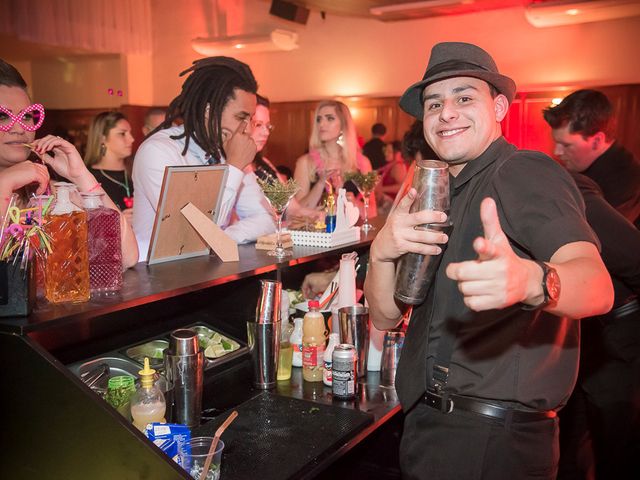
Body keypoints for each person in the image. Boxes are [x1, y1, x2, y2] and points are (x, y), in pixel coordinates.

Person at [363, 42, 613, 480]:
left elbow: (597, 285)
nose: (447, 112)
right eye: (434, 103)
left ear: (498, 107)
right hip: (434, 429)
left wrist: (531, 281)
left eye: (464, 97)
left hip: (491, 442)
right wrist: (382, 252)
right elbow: (384, 317)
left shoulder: (523, 172)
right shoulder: (435, 191)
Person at [132, 56, 275, 261]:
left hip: (208, 272)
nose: (247, 128)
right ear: (210, 111)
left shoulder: (226, 148)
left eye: (249, 119)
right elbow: (191, 235)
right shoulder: (159, 151)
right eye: (240, 117)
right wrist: (233, 166)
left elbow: (264, 218)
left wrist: (223, 238)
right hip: (156, 279)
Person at [0, 58, 138, 268]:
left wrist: (81, 176)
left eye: (26, 117)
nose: (18, 128)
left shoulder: (51, 193)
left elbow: (127, 257)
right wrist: (4, 184)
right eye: (3, 116)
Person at [556, 173, 640, 480]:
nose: (560, 151)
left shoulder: (566, 189)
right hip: (582, 341)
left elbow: (634, 256)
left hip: (617, 336)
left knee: (616, 450)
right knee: (571, 446)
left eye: (565, 144)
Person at [543, 89, 640, 226]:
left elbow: (601, 234)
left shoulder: (628, 180)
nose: (557, 151)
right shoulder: (581, 165)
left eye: (566, 145)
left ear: (597, 141)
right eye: (556, 142)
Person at [293, 100, 376, 218]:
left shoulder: (362, 163)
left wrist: (353, 202)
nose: (321, 124)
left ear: (343, 124)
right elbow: (297, 212)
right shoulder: (305, 163)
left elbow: (372, 212)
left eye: (330, 118)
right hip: (318, 234)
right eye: (318, 119)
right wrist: (321, 183)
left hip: (354, 235)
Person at [84, 111, 135, 222]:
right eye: (122, 134)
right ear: (102, 138)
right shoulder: (87, 177)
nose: (131, 139)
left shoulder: (136, 170)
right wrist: (115, 222)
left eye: (130, 133)